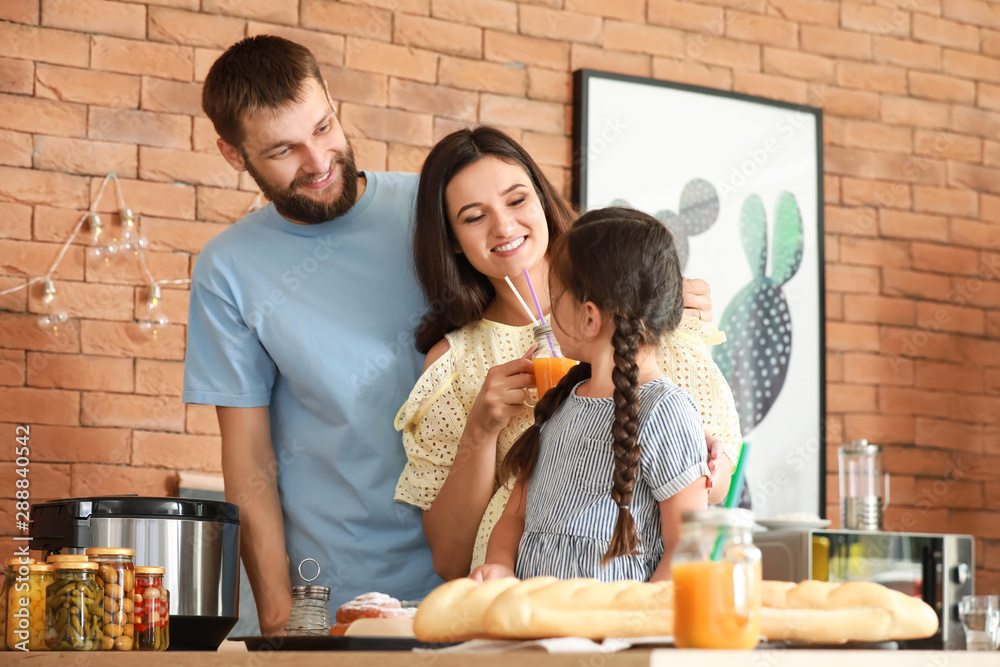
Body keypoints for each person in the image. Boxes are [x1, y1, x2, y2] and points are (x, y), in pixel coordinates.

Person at [394, 127, 742, 581]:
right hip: (511, 606)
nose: (503, 227)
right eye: (474, 216)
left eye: (517, 200)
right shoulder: (454, 363)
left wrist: (702, 459)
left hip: (624, 602)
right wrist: (481, 430)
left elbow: (709, 492)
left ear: (541, 198)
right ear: (453, 240)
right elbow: (450, 561)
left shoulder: (639, 308)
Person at [183, 35, 442, 634]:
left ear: (331, 101)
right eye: (284, 149)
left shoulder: (433, 208)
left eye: (324, 127)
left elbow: (557, 283)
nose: (319, 161)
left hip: (466, 579)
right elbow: (247, 455)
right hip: (321, 599)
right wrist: (277, 617)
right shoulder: (229, 268)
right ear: (232, 153)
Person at [470, 206, 709, 582]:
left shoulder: (666, 410)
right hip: (539, 626)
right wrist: (499, 565)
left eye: (556, 298)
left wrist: (636, 622)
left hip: (617, 633)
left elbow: (689, 547)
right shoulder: (561, 400)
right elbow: (515, 515)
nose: (549, 314)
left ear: (590, 317)